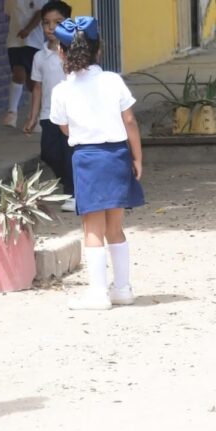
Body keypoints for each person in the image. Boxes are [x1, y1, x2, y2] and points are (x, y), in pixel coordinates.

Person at [49, 16, 144, 311]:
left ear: (62, 53)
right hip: (118, 155)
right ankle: (123, 288)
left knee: (92, 228)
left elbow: (63, 127)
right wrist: (137, 157)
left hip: (88, 158)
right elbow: (130, 120)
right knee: (115, 226)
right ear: (98, 49)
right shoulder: (113, 80)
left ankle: (98, 293)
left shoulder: (61, 91)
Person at [23, 0, 75, 212]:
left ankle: (73, 192)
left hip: (72, 114)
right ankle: (71, 184)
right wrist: (32, 117)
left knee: (69, 153)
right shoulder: (39, 56)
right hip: (49, 114)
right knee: (49, 153)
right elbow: (37, 87)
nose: (51, 27)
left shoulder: (75, 52)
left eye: (58, 22)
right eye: (46, 23)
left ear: (68, 23)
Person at [3, 0, 51, 128]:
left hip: (34, 43)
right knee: (18, 74)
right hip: (14, 42)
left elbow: (39, 15)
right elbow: (9, 14)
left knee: (32, 83)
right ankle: (12, 112)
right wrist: (19, 32)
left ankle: (35, 116)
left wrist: (28, 30)